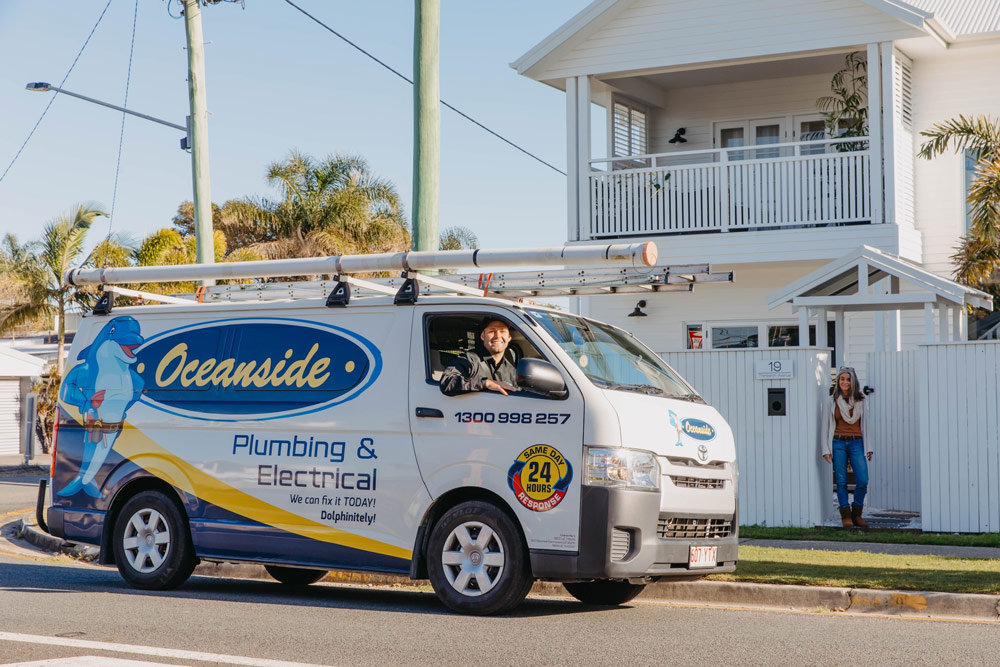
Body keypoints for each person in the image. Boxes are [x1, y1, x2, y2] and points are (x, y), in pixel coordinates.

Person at [822, 366, 872, 528]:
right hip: (838, 442)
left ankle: (857, 513)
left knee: (863, 479)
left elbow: (866, 425)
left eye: (848, 379)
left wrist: (869, 447)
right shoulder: (831, 401)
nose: (844, 382)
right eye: (842, 379)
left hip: (857, 442)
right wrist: (826, 449)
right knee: (841, 480)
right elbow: (825, 426)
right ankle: (845, 515)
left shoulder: (861, 400)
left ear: (853, 381)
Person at [440, 319, 518, 396]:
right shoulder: (470, 360)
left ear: (509, 337)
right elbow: (447, 382)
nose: (497, 336)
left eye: (502, 331)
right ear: (483, 336)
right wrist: (485, 383)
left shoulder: (511, 370)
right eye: (491, 331)